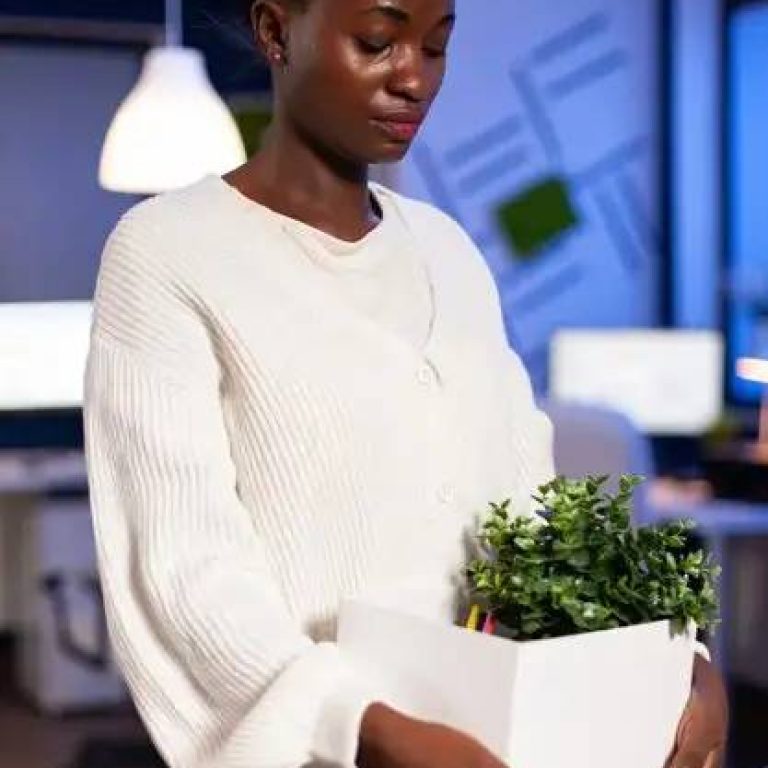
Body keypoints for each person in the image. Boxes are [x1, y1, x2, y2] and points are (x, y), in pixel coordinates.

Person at [83, 0, 728, 766]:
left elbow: (536, 514)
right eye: (378, 42)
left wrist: (674, 655)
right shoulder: (167, 254)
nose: (414, 79)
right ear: (275, 31)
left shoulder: (448, 252)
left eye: (437, 47)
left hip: (513, 739)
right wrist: (367, 728)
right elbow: (186, 572)